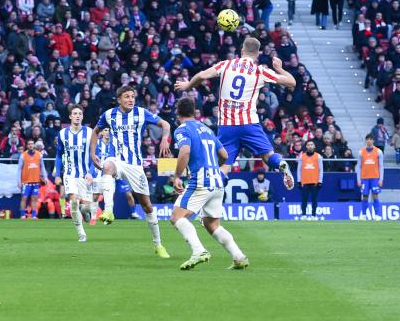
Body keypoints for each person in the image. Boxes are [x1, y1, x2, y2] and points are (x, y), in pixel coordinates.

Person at [174, 37, 297, 190]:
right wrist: (279, 68)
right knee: (268, 156)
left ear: (241, 51)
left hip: (227, 125)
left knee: (224, 164)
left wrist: (187, 85)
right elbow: (292, 82)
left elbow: (202, 75)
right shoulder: (260, 71)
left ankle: (211, 194)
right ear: (258, 54)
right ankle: (281, 164)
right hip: (249, 123)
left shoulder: (226, 65)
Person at [90, 85, 171, 259]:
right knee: (107, 167)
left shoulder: (141, 113)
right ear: (119, 99)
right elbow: (95, 132)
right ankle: (109, 211)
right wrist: (92, 154)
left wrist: (165, 138)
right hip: (116, 159)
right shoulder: (109, 115)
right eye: (126, 97)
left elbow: (165, 124)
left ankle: (158, 244)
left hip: (135, 165)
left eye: (132, 96)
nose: (130, 99)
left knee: (147, 206)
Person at [170, 98, 249, 270]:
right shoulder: (206, 128)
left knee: (177, 217)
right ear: (194, 111)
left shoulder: (182, 129)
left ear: (178, 113)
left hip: (201, 181)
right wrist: (214, 166)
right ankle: (239, 256)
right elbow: (224, 155)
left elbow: (185, 151)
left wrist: (177, 176)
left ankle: (199, 251)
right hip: (217, 182)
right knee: (211, 224)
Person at [55, 105, 95, 242]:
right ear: (70, 117)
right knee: (73, 201)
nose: (77, 116)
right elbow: (59, 155)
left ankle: (86, 213)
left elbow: (94, 155)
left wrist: (91, 172)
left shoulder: (90, 133)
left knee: (86, 207)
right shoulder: (62, 134)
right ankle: (81, 234)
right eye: (75, 113)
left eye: (80, 113)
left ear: (82, 116)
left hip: (85, 175)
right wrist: (57, 175)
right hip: (70, 173)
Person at [356, 134, 384, 221]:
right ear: (366, 140)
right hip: (364, 178)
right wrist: (358, 179)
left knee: (375, 196)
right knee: (365, 196)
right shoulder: (361, 152)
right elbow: (358, 166)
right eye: (367, 139)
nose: (369, 141)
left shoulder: (378, 152)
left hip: (375, 178)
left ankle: (377, 215)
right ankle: (364, 215)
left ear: (373, 141)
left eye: (371, 139)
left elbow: (381, 166)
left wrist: (381, 179)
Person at [18, 140, 48, 219]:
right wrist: (19, 181)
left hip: (36, 180)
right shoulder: (23, 155)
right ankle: (22, 215)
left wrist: (45, 178)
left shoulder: (39, 155)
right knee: (24, 198)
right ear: (27, 146)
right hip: (25, 181)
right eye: (29, 144)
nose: (30, 145)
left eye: (32, 144)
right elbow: (19, 169)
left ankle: (34, 215)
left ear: (34, 145)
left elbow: (43, 167)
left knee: (34, 198)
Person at [297, 140, 323, 220]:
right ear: (306, 146)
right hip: (304, 182)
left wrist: (320, 181)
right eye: (308, 145)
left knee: (314, 200)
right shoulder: (302, 156)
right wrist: (299, 180)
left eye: (312, 144)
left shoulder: (318, 156)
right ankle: (304, 215)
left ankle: (313, 215)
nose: (310, 146)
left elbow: (321, 170)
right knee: (304, 199)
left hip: (315, 182)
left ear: (314, 146)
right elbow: (299, 169)